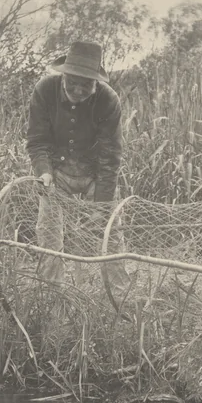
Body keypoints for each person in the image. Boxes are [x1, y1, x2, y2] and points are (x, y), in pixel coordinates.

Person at [26, 41, 123, 282]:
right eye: (73, 83)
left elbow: (110, 156)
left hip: (94, 173)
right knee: (48, 232)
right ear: (63, 75)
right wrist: (44, 172)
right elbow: (37, 141)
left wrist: (101, 207)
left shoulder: (109, 99)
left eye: (86, 84)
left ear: (96, 82)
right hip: (57, 172)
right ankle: (50, 292)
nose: (79, 90)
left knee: (111, 231)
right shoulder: (44, 90)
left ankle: (119, 297)